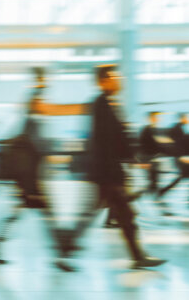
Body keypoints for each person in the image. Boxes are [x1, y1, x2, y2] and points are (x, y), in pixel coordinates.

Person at [0, 67, 87, 271]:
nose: (44, 105)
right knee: (44, 216)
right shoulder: (31, 124)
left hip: (30, 180)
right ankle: (60, 255)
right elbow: (35, 148)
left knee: (22, 214)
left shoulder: (30, 124)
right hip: (29, 180)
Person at [68, 64, 167, 269]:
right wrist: (131, 160)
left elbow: (119, 141)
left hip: (108, 173)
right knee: (108, 216)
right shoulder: (100, 104)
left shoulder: (110, 104)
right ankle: (63, 250)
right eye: (114, 77)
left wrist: (134, 159)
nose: (119, 80)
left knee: (120, 216)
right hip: (106, 174)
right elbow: (107, 142)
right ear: (103, 80)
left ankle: (137, 256)